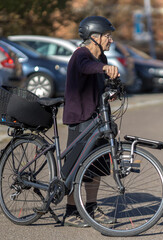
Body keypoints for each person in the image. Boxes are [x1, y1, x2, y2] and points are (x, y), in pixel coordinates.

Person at [62, 16, 119, 227]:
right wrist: (104, 69)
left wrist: (109, 90)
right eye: (107, 36)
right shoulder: (81, 55)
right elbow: (86, 67)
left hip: (98, 119)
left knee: (97, 165)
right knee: (75, 167)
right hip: (81, 118)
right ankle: (70, 212)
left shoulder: (101, 58)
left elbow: (98, 82)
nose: (110, 40)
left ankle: (92, 207)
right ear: (94, 37)